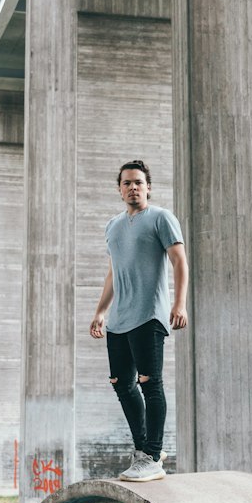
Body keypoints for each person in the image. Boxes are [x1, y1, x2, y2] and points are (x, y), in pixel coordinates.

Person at [90, 160, 188, 481]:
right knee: (122, 384)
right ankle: (144, 450)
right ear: (119, 189)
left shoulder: (161, 218)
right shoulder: (113, 226)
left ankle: (152, 455)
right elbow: (113, 274)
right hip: (119, 319)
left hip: (149, 315)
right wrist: (101, 311)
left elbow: (179, 261)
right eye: (127, 183)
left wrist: (179, 303)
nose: (133, 187)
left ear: (148, 187)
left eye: (139, 183)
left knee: (150, 382)